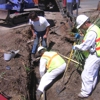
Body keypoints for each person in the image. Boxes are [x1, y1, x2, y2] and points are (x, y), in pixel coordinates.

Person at [73, 14, 100, 98]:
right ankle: (91, 87)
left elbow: (85, 46)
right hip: (96, 54)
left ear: (85, 23)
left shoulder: (91, 32)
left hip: (95, 55)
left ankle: (85, 93)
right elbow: (90, 41)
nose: (81, 28)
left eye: (81, 26)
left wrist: (76, 47)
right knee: (93, 73)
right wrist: (80, 37)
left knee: (86, 74)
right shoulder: (94, 28)